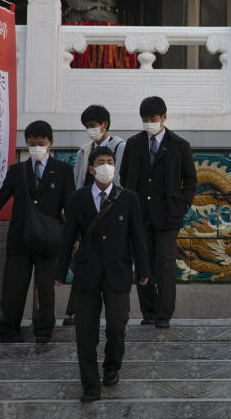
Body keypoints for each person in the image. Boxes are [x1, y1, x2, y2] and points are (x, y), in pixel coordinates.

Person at [0, 120, 75, 344]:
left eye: (41, 143)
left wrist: (74, 237)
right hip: (19, 240)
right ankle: (9, 330)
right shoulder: (17, 171)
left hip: (48, 239)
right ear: (26, 143)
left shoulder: (63, 171)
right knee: (14, 289)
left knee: (46, 289)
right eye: (32, 144)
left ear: (50, 143)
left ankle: (44, 331)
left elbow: (70, 207)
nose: (36, 148)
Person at [55, 146, 150, 403]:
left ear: (115, 167)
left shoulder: (128, 198)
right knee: (85, 333)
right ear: (92, 168)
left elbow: (138, 237)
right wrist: (60, 272)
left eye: (110, 161)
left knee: (117, 327)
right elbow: (67, 239)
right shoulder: (77, 199)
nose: (106, 165)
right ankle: (90, 386)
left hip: (118, 273)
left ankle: (112, 367)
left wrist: (143, 270)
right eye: (101, 161)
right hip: (87, 273)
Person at [119, 96, 197, 329]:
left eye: (153, 119)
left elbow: (190, 181)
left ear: (164, 117)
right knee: (143, 262)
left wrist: (180, 205)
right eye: (145, 119)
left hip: (168, 216)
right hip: (140, 214)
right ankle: (149, 311)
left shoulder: (179, 145)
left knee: (164, 264)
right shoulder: (133, 144)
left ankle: (164, 314)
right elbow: (124, 175)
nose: (149, 123)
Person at [65, 104, 126, 325]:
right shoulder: (85, 150)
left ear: (104, 124)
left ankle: (119, 313)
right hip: (89, 209)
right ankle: (74, 311)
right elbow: (78, 180)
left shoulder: (120, 146)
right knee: (84, 261)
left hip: (111, 209)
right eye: (87, 127)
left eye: (93, 125)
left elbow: (121, 179)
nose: (91, 130)